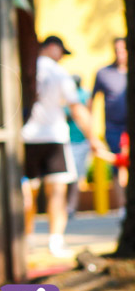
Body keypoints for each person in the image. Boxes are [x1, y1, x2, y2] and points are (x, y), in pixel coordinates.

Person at [21, 35, 111, 258]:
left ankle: (26, 238)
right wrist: (93, 137)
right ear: (52, 47)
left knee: (27, 191)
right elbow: (77, 108)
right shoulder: (58, 72)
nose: (61, 58)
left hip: (26, 138)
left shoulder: (23, 68)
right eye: (61, 52)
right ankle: (55, 240)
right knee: (57, 191)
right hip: (53, 137)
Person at [90, 36, 128, 208]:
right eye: (117, 50)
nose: (120, 53)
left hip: (130, 127)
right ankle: (123, 205)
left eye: (123, 49)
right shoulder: (104, 73)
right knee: (118, 165)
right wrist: (90, 132)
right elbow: (92, 102)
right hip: (113, 127)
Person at [65, 75, 92, 216]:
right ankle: (67, 206)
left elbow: (88, 113)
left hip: (81, 140)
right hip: (67, 140)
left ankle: (71, 206)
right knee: (67, 177)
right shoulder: (66, 95)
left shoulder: (85, 94)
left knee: (77, 176)